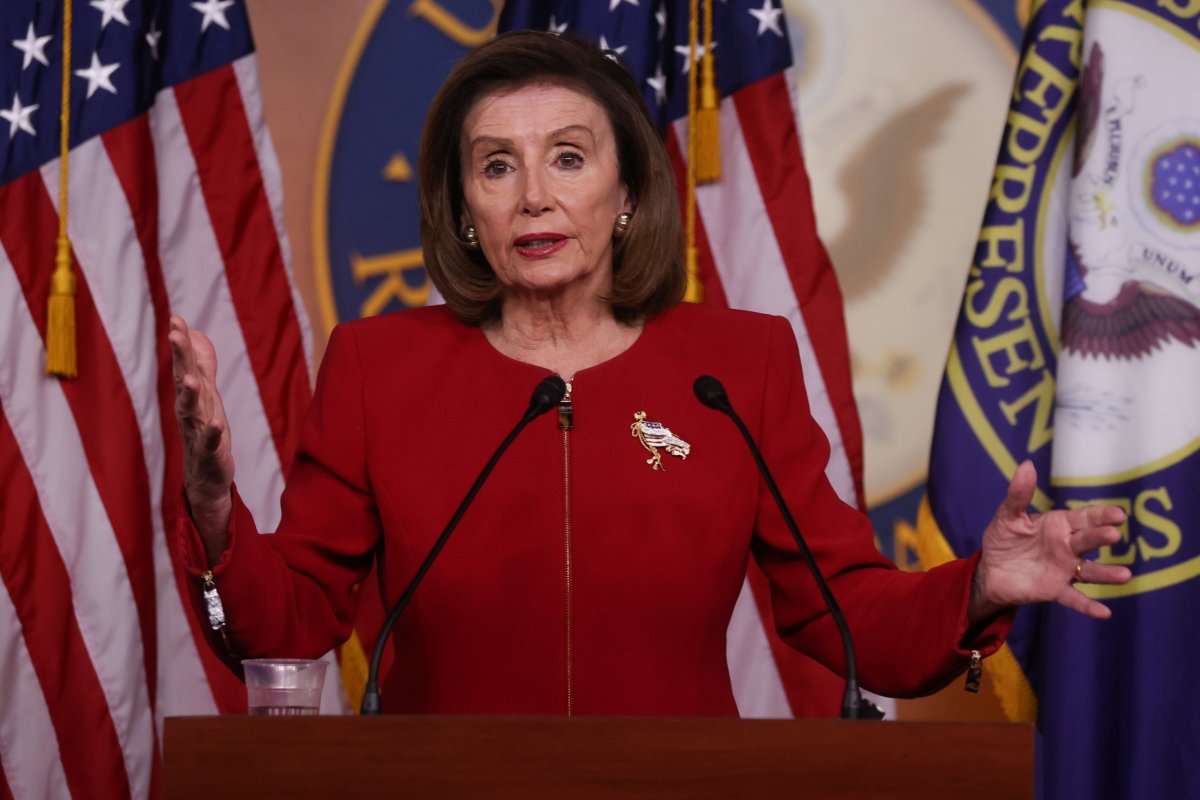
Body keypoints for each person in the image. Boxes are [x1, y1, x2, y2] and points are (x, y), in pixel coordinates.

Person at [170, 31, 1130, 716]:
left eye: (569, 158)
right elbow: (286, 624)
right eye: (496, 166)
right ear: (464, 207)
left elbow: (851, 616)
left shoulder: (735, 366)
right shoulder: (381, 369)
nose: (534, 195)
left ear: (627, 191)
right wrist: (216, 511)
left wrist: (979, 590)